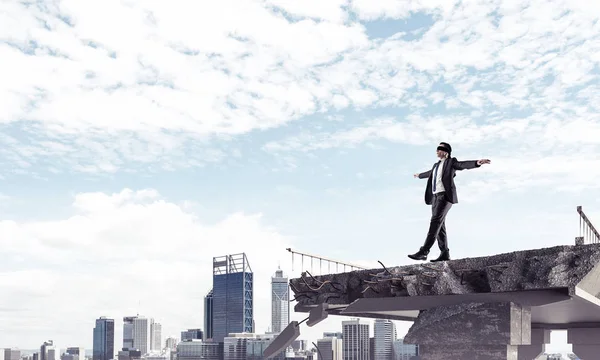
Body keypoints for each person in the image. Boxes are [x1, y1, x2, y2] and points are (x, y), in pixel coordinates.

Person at [408, 142, 491, 262]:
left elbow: (462, 165)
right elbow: (429, 173)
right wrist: (419, 175)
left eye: (439, 149)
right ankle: (444, 253)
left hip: (445, 197)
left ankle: (424, 251)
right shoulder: (436, 165)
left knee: (435, 222)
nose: (437, 151)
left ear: (445, 151)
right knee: (440, 226)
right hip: (435, 198)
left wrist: (477, 162)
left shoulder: (451, 162)